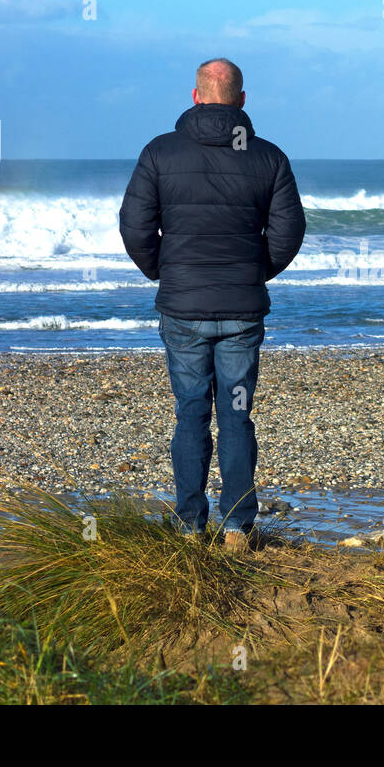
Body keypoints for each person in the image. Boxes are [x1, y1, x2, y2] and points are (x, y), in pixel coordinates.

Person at [119, 58, 306, 553]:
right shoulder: (267, 157)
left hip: (183, 310)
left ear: (196, 96)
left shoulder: (160, 152)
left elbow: (135, 228)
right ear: (242, 100)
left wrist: (164, 271)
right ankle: (238, 528)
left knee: (190, 413)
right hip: (241, 310)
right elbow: (289, 233)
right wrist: (253, 272)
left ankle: (189, 524)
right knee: (237, 415)